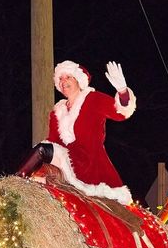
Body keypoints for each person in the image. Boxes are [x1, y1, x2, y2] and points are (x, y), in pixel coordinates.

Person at [16, 60, 137, 204]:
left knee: (42, 149)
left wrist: (123, 92)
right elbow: (53, 141)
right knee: (42, 151)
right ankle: (20, 185)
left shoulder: (93, 99)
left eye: (68, 77)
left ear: (78, 80)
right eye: (60, 78)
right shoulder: (57, 112)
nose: (63, 81)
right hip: (68, 161)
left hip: (90, 161)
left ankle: (15, 183)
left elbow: (120, 113)